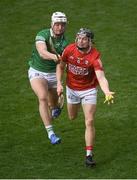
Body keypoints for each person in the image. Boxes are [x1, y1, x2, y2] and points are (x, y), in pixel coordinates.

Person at [56, 28, 115, 166]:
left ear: (90, 41)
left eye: (83, 39)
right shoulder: (69, 50)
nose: (80, 41)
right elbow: (61, 66)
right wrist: (59, 83)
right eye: (78, 38)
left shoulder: (95, 57)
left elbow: (101, 77)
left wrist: (106, 91)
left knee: (89, 121)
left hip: (89, 90)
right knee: (72, 117)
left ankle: (89, 155)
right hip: (71, 89)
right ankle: (60, 104)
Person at [28, 12, 68, 145]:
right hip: (37, 72)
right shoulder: (42, 35)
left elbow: (60, 67)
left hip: (53, 75)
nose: (59, 27)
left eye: (62, 25)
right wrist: (55, 57)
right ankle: (51, 134)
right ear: (52, 24)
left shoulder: (65, 44)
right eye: (57, 24)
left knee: (53, 105)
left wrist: (59, 82)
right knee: (42, 97)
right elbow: (42, 52)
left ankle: (55, 108)